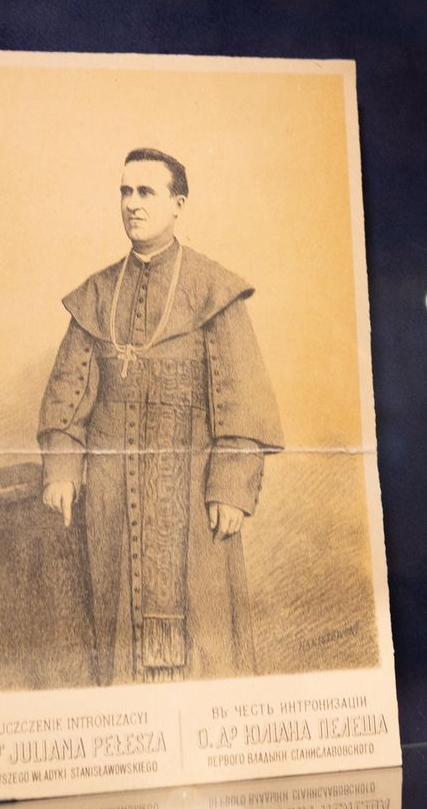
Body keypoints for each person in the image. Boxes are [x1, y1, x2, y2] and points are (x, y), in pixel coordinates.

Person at [37, 147, 283, 684]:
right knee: (114, 634)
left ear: (178, 204)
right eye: (125, 192)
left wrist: (232, 487)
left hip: (194, 489)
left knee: (207, 635)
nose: (132, 204)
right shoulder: (98, 293)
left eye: (146, 192)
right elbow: (68, 393)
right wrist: (61, 466)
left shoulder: (215, 288)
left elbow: (242, 398)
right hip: (113, 491)